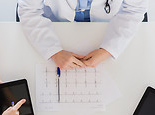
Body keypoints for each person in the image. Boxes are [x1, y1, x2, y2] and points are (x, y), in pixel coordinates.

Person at [18, 0, 148, 70]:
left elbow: (134, 10)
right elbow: (29, 11)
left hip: (106, 28)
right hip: (56, 27)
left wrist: (109, 49)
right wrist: (53, 51)